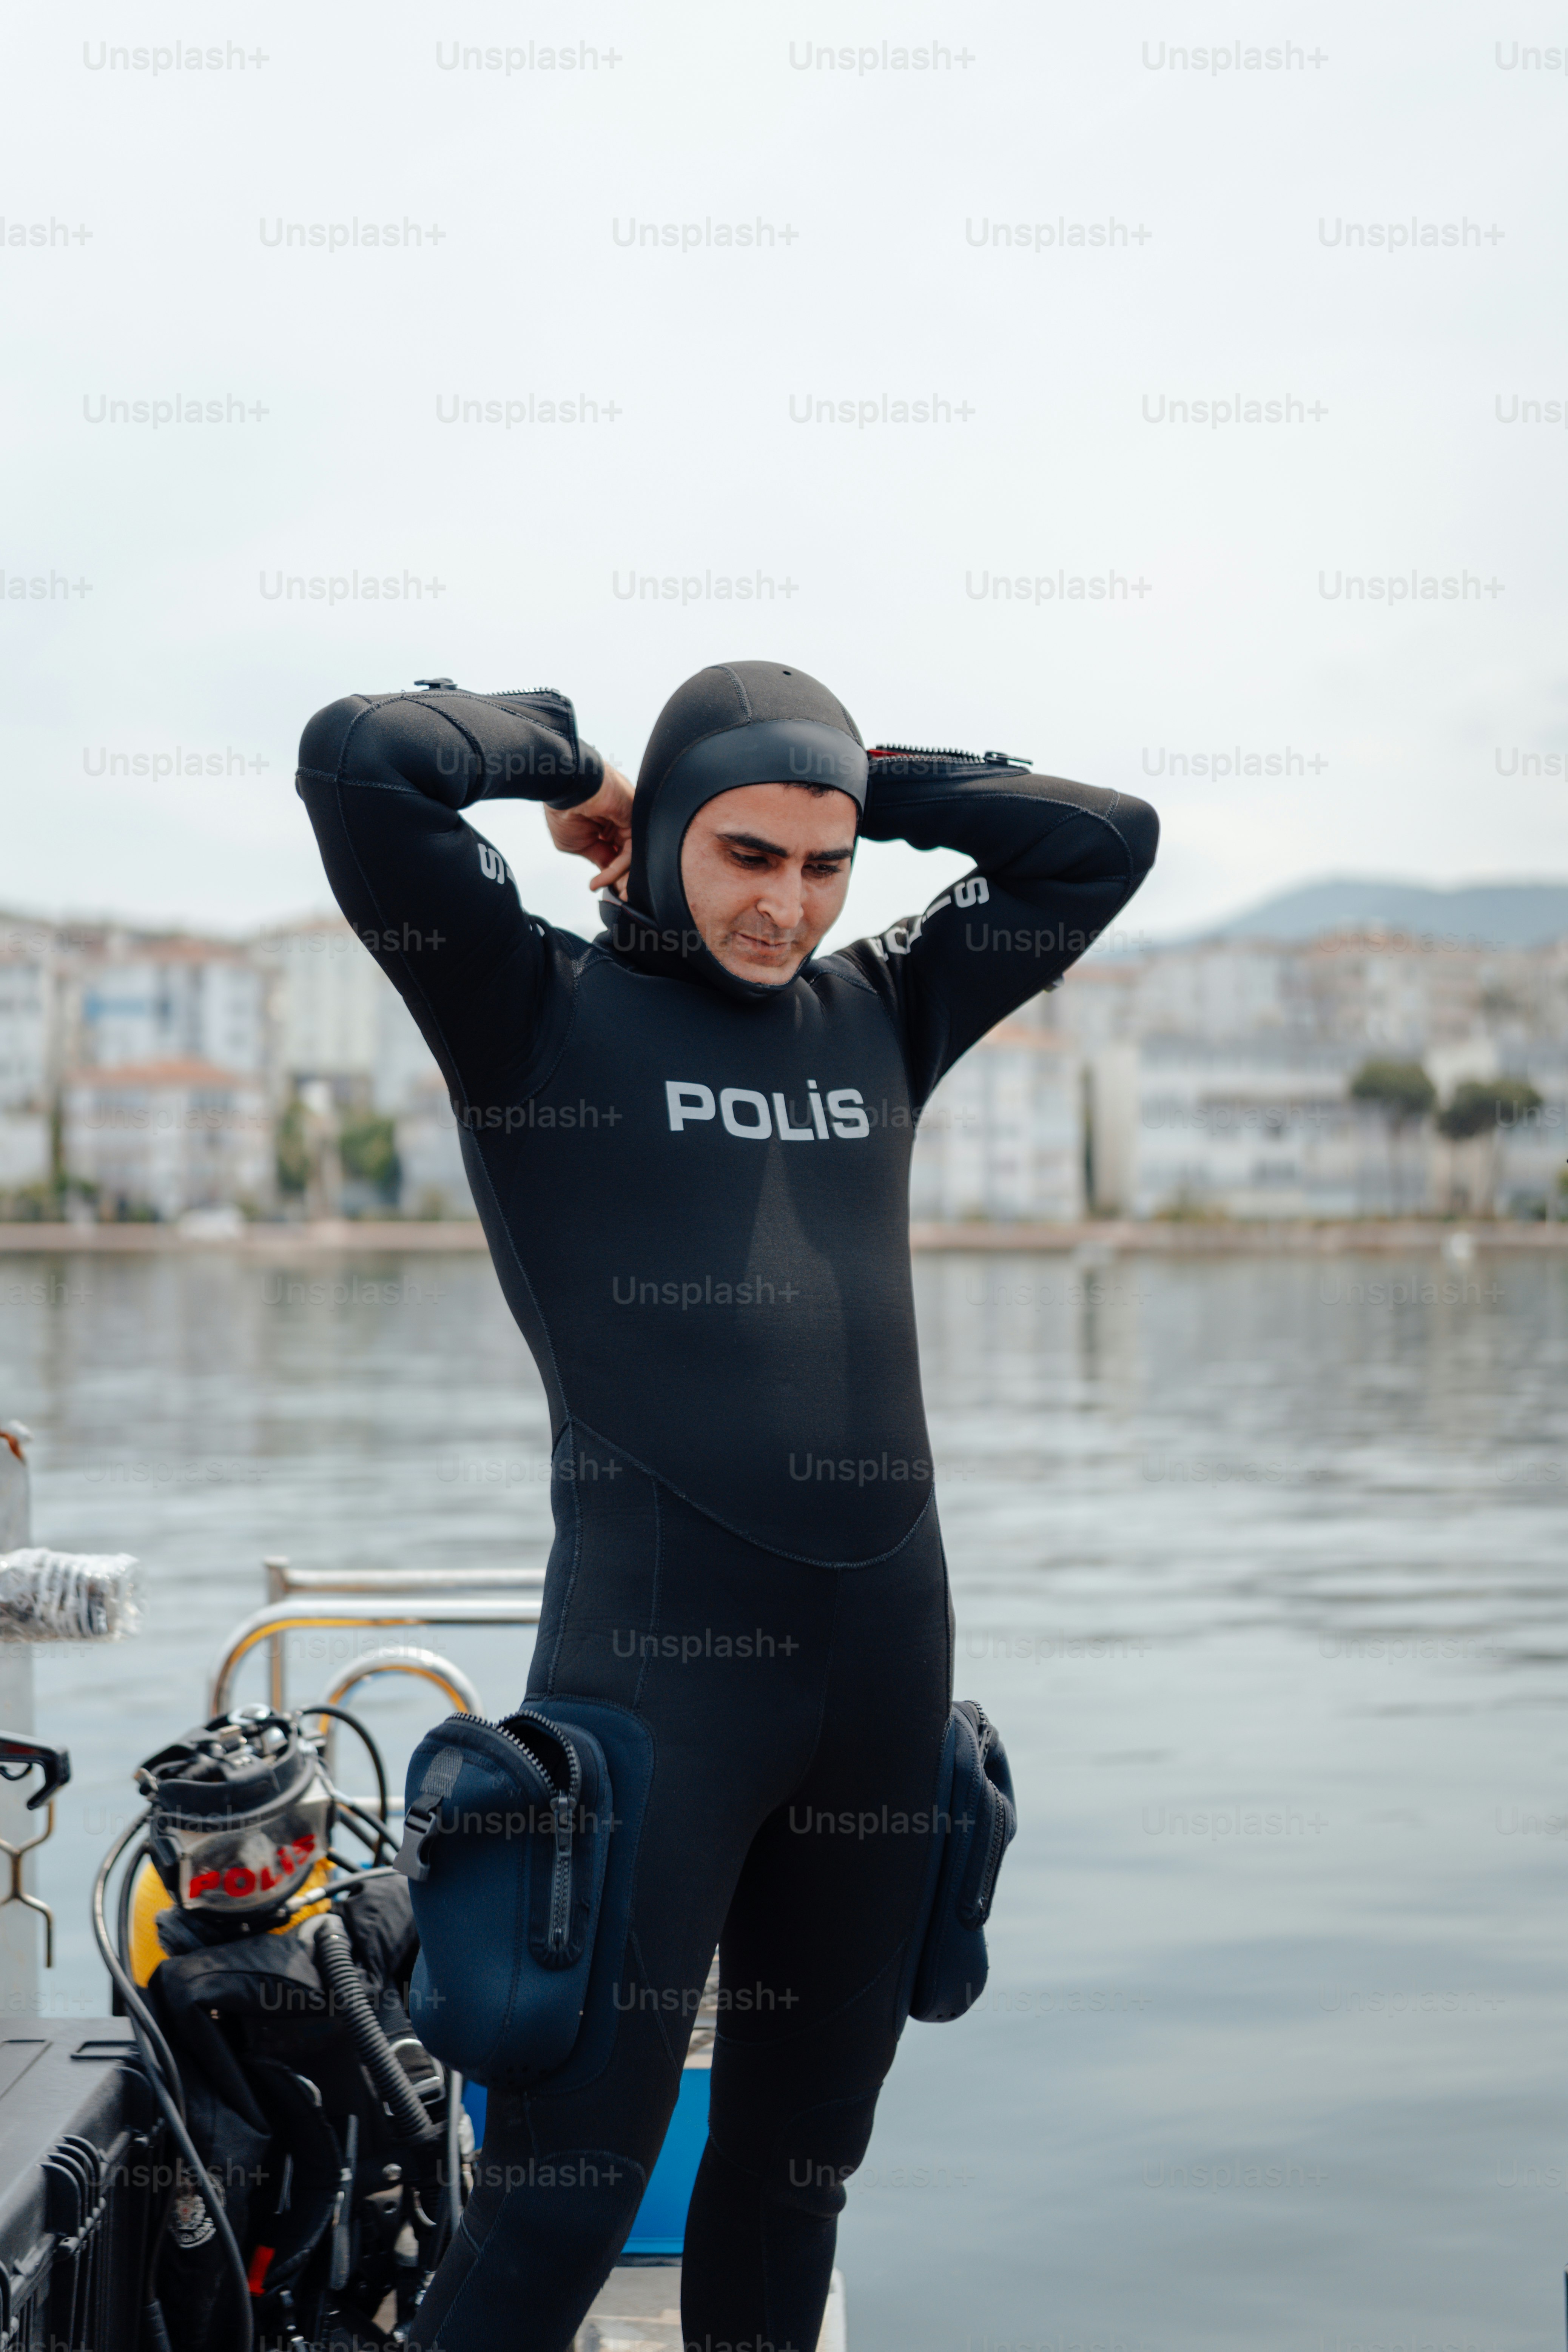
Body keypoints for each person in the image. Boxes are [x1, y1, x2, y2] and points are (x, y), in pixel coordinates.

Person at [297, 661, 1158, 2352]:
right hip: (651, 1690)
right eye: (748, 851)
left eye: (824, 866)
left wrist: (860, 785)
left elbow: (1098, 845)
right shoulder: (524, 1007)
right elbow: (362, 763)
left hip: (881, 1685)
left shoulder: (881, 1010)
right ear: (670, 831)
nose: (790, 903)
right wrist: (575, 756)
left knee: (791, 2187)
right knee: (559, 2210)